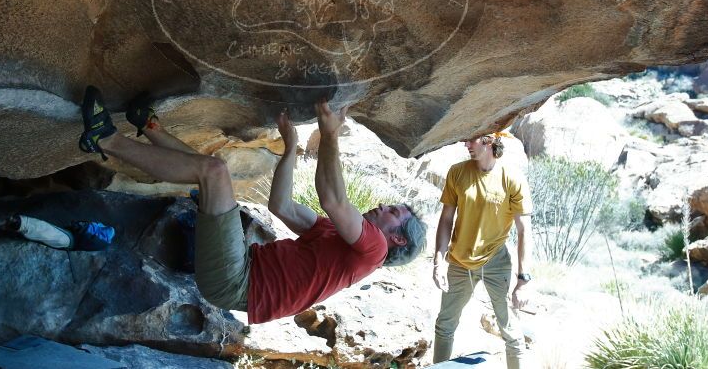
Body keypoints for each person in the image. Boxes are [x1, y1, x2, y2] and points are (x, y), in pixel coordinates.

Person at [77, 86, 426, 324]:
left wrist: (330, 134)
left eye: (393, 212)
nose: (383, 206)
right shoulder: (339, 238)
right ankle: (148, 123)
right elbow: (282, 206)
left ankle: (105, 138)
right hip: (241, 268)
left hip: (237, 282)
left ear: (397, 238)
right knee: (214, 175)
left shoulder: (374, 250)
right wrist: (290, 149)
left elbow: (334, 199)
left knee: (214, 173)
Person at [432, 133, 533, 369]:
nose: (466, 144)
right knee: (444, 325)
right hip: (458, 261)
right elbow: (446, 219)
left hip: (496, 262)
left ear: (489, 141)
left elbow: (524, 231)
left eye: (472, 140)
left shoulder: (512, 177)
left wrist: (523, 280)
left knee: (510, 330)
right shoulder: (457, 172)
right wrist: (439, 260)